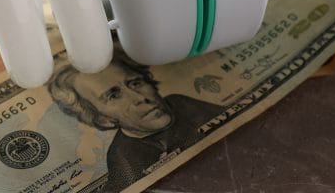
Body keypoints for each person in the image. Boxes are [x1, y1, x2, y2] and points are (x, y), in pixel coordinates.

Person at [48, 48, 225, 191]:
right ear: (103, 119)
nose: (140, 98)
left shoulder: (180, 103)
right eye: (114, 95)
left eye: (135, 83)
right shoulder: (123, 160)